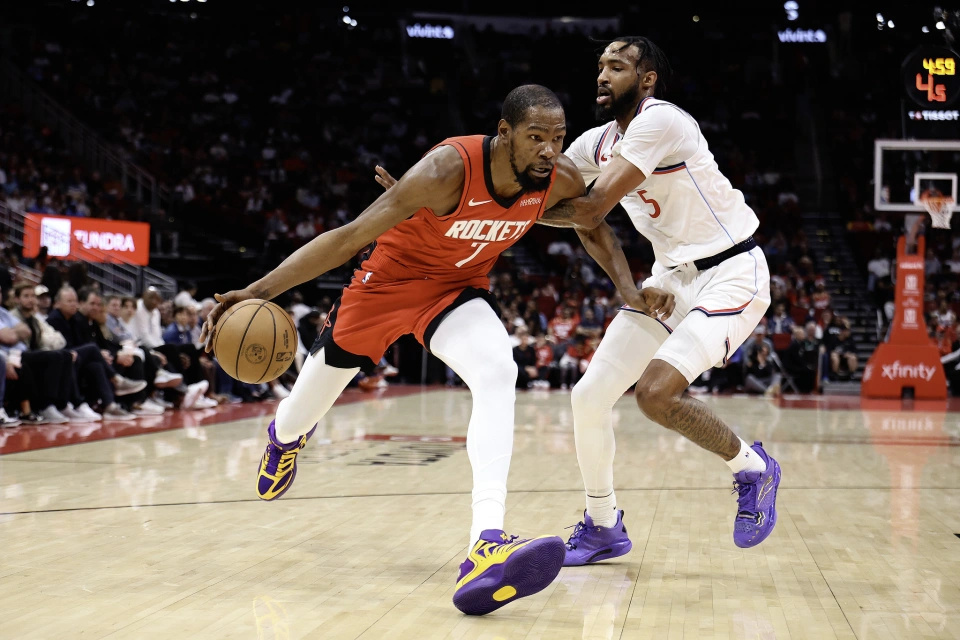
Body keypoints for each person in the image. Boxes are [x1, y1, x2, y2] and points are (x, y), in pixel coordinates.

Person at [202, 85, 673, 616]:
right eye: (536, 137)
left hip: (454, 292)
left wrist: (630, 291)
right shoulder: (446, 169)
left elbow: (592, 223)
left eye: (558, 138)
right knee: (299, 413)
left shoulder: (555, 177)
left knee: (498, 371)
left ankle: (485, 545)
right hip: (382, 288)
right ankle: (285, 437)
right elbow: (348, 236)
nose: (549, 150)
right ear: (504, 133)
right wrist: (257, 291)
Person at [540, 37, 782, 562]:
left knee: (654, 395)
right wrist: (457, 200)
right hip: (670, 280)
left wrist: (516, 212)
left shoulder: (662, 120)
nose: (603, 75)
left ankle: (754, 469)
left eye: (617, 66)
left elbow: (589, 210)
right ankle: (603, 525)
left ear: (646, 79)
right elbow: (551, 197)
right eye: (600, 66)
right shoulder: (595, 144)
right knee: (588, 397)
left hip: (732, 271)